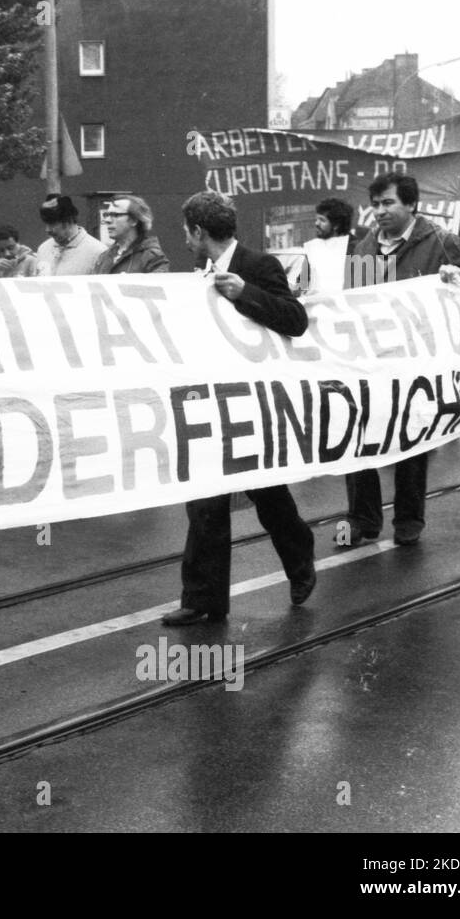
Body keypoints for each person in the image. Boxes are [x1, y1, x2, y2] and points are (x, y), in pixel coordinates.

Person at [163, 191, 317, 626]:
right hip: (211, 403)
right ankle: (202, 599)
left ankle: (299, 554)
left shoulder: (258, 266)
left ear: (198, 231)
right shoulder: (198, 273)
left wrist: (245, 292)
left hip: (252, 404)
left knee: (268, 496)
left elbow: (295, 319)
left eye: (186, 231)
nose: (185, 238)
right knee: (205, 501)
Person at [341, 172, 460, 547]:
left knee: (412, 440)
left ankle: (408, 519)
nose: (379, 211)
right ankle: (363, 519)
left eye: (388, 203)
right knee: (361, 438)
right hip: (369, 363)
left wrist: (457, 278)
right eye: (375, 204)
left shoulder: (440, 243)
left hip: (417, 364)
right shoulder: (364, 249)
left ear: (411, 204)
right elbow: (353, 300)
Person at [92, 195, 170, 274]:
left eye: (115, 215)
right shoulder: (104, 257)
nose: (107, 220)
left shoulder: (152, 257)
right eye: (106, 215)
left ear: (134, 220)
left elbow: (158, 284)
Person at [35, 193, 106, 276]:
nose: (47, 230)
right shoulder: (43, 249)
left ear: (68, 221)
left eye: (52, 224)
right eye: (46, 224)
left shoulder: (97, 252)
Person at [303, 197, 355, 294]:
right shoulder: (313, 248)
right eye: (316, 219)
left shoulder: (357, 248)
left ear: (336, 225)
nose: (316, 223)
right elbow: (302, 282)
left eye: (322, 220)